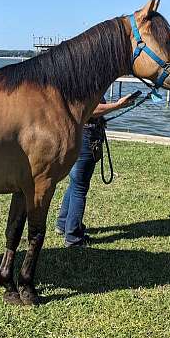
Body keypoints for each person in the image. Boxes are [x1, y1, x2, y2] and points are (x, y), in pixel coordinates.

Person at [56, 93, 137, 247]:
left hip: (80, 133)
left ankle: (62, 223)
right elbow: (90, 110)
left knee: (75, 183)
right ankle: (73, 236)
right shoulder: (87, 83)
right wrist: (118, 105)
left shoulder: (79, 79)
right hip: (86, 136)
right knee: (80, 187)